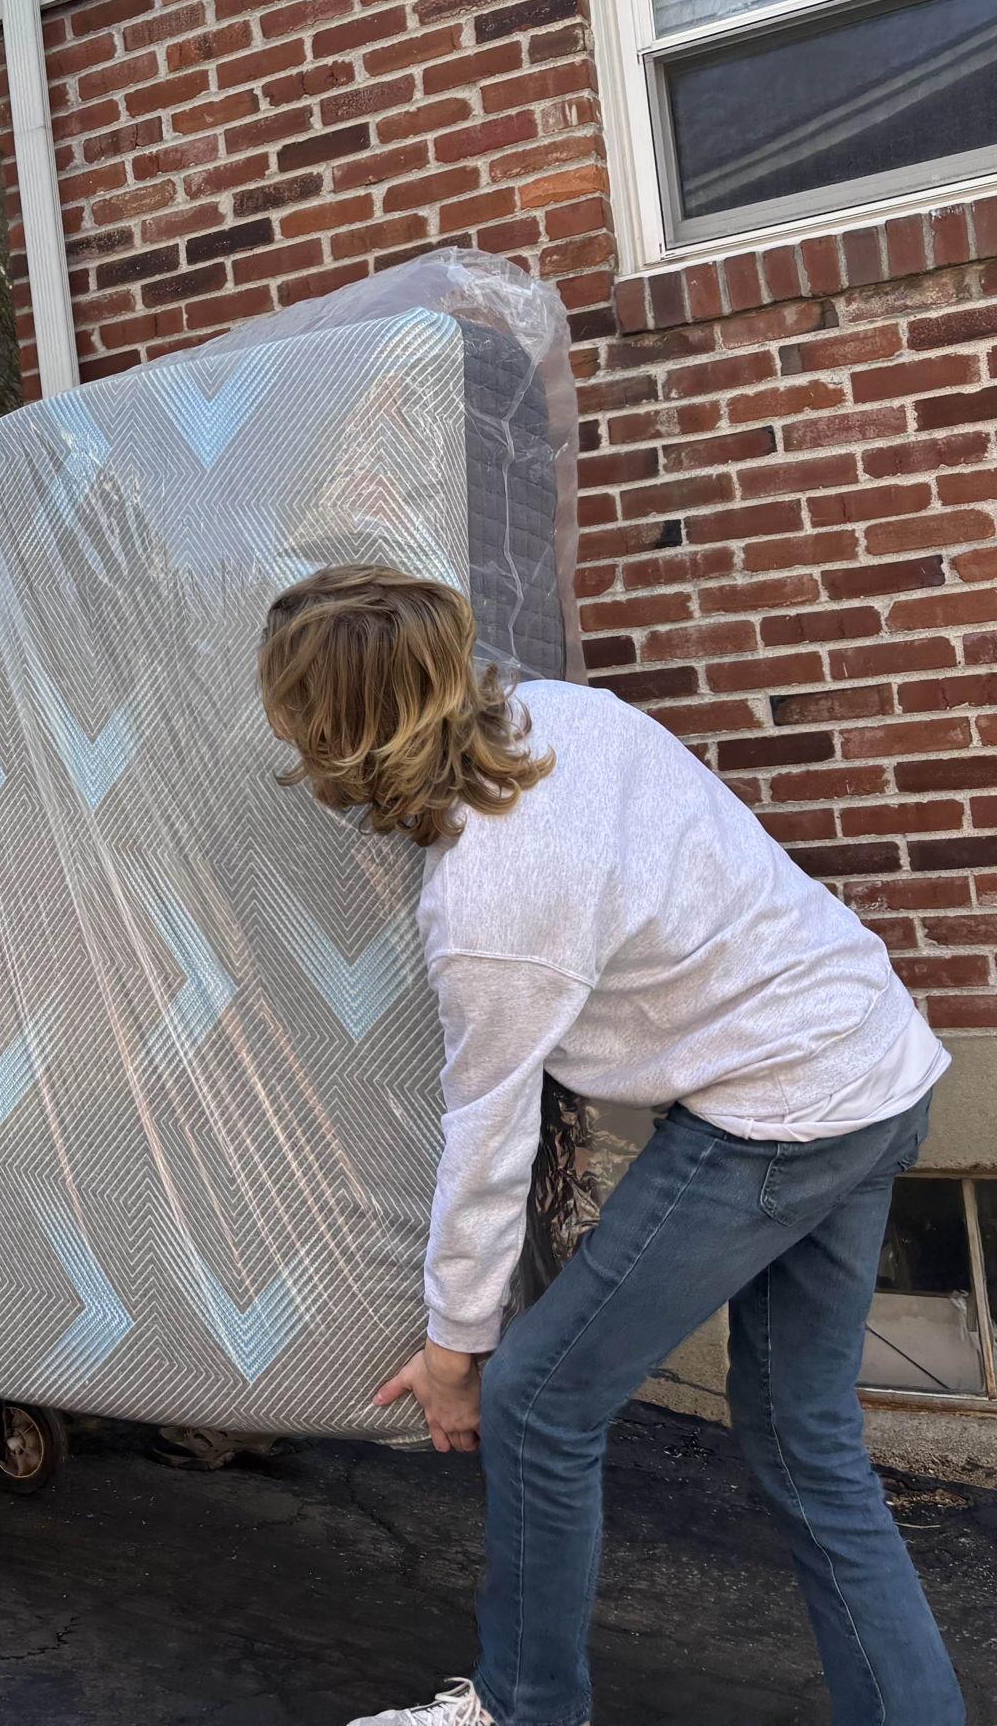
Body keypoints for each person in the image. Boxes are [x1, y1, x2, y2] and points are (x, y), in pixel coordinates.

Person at [256, 565, 961, 1726]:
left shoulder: (485, 908)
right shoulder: (565, 718)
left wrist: (453, 1345)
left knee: (536, 1398)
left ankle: (523, 1707)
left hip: (775, 1112)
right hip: (870, 1060)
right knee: (802, 1436)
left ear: (341, 739)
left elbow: (486, 1133)